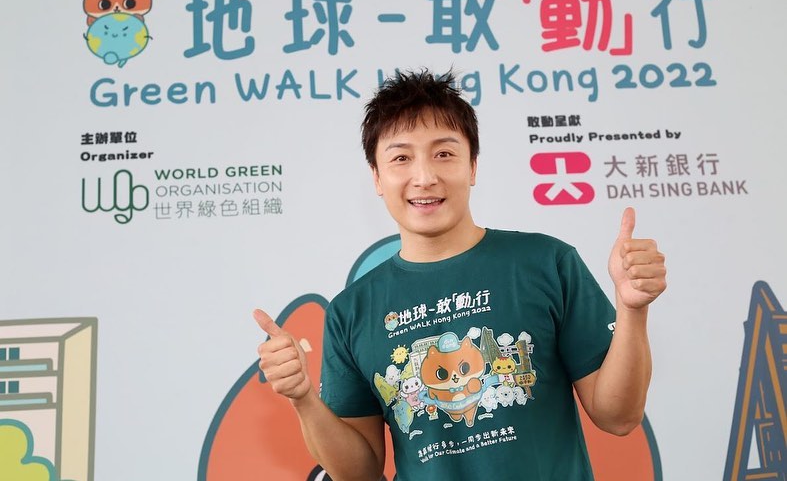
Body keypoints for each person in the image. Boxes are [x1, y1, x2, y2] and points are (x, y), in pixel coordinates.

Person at [254, 70, 666, 480]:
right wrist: (303, 399)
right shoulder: (352, 311)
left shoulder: (546, 262)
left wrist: (633, 310)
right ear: (377, 177)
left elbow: (618, 417)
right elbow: (359, 473)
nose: (424, 177)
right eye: (401, 158)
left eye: (444, 154)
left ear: (472, 166)